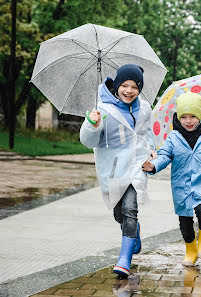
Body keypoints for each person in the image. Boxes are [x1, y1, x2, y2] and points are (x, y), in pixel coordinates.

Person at [142, 91, 201, 266]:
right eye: (183, 117)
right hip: (181, 186)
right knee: (185, 222)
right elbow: (164, 155)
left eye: (192, 116)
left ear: (199, 116)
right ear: (178, 117)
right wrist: (153, 166)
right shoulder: (173, 137)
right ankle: (191, 249)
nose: (188, 121)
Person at [80, 64, 156, 278]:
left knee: (130, 209)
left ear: (140, 88)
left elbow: (146, 131)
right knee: (119, 213)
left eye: (134, 86)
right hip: (112, 168)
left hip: (136, 166)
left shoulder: (144, 107)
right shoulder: (103, 109)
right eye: (124, 85)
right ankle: (135, 233)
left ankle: (124, 259)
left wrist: (152, 149)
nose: (129, 91)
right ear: (117, 86)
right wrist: (91, 124)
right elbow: (88, 141)